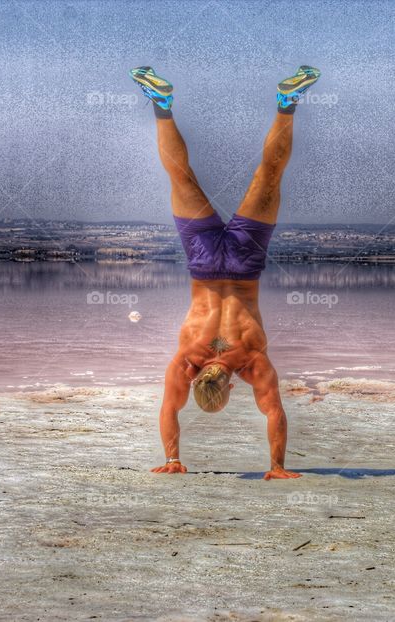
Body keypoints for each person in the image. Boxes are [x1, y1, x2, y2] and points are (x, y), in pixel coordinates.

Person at [130, 65, 320, 480]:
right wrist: (172, 457)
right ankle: (162, 108)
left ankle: (287, 106)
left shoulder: (251, 362)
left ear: (231, 387)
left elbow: (274, 411)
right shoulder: (186, 361)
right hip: (202, 261)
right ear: (199, 379)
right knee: (180, 176)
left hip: (245, 263)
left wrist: (277, 466)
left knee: (269, 175)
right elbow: (169, 410)